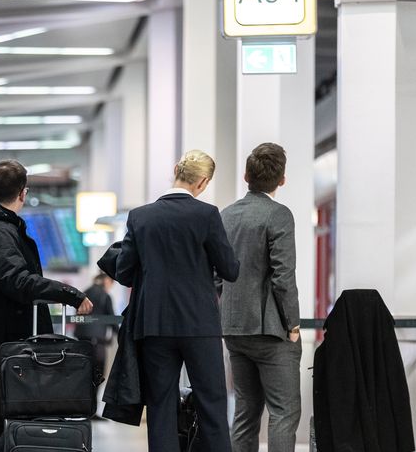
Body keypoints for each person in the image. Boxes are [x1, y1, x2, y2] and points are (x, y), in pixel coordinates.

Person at [0, 159, 93, 452]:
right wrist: (71, 294)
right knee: (5, 417)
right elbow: (19, 282)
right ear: (23, 193)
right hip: (2, 344)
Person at [115, 149, 239, 452]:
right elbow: (230, 270)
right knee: (211, 403)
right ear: (204, 182)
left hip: (155, 325)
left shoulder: (140, 216)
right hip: (200, 324)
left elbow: (123, 271)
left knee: (160, 406)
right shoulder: (207, 215)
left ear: (175, 170)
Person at [220, 143, 301, 452]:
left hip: (234, 329)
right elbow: (283, 276)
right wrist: (292, 323)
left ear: (245, 175)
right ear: (282, 180)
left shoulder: (227, 215)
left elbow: (217, 273)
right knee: (283, 412)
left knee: (245, 412)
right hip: (271, 330)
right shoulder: (278, 215)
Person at [74, 273, 116, 417]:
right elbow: (112, 320)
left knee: (84, 376)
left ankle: (82, 409)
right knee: (98, 376)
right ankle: (92, 411)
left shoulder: (84, 293)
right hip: (98, 343)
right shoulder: (105, 296)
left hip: (81, 342)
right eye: (112, 282)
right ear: (106, 280)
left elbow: (77, 317)